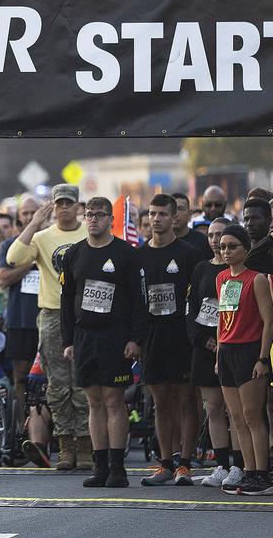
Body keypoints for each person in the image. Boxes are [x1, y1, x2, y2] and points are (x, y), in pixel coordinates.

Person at [60, 197, 147, 488]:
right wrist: (68, 340)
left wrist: (135, 338)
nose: (93, 219)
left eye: (99, 214)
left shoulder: (126, 254)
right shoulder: (74, 254)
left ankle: (117, 467)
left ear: (111, 218)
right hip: (85, 336)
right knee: (93, 401)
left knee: (114, 401)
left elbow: (138, 300)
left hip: (115, 336)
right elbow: (66, 301)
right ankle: (100, 467)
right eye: (90, 214)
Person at [7, 184, 90, 471]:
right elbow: (13, 258)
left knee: (82, 382)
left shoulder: (87, 233)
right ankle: (65, 444)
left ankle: (85, 443)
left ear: (78, 206)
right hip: (53, 315)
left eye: (69, 203)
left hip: (85, 315)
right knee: (57, 385)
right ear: (52, 207)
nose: (64, 208)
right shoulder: (42, 237)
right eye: (59, 204)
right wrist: (34, 223)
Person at [137, 194, 202, 486]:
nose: (156, 219)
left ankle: (185, 464)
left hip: (182, 336)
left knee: (187, 400)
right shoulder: (138, 255)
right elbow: (133, 302)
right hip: (152, 336)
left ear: (174, 217)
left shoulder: (188, 253)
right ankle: (165, 463)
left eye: (163, 214)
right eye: (152, 213)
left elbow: (199, 297)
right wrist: (134, 338)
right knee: (160, 401)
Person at [216, 224, 273, 495]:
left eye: (232, 246)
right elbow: (221, 319)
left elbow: (268, 320)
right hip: (226, 351)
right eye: (223, 246)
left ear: (245, 248)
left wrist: (263, 357)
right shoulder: (222, 279)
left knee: (253, 416)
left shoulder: (257, 279)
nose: (226, 251)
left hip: (250, 351)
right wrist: (218, 352)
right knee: (236, 417)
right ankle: (248, 471)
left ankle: (262, 473)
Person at [186, 218, 243, 488]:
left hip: (232, 346)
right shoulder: (200, 269)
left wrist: (224, 342)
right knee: (214, 408)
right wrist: (204, 341)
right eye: (211, 235)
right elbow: (193, 308)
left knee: (236, 410)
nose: (215, 241)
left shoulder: (239, 272)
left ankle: (240, 465)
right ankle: (221, 464)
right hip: (205, 346)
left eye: (220, 235)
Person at [0, 196, 41, 386]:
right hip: (20, 320)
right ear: (18, 217)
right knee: (21, 375)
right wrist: (31, 262)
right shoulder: (9, 245)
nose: (30, 216)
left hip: (48, 318)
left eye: (34, 212)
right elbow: (3, 279)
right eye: (25, 213)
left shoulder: (49, 241)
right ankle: (20, 415)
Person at [172, 193, 213, 260]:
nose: (176, 214)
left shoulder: (203, 241)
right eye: (173, 209)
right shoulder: (160, 242)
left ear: (190, 214)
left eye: (180, 209)